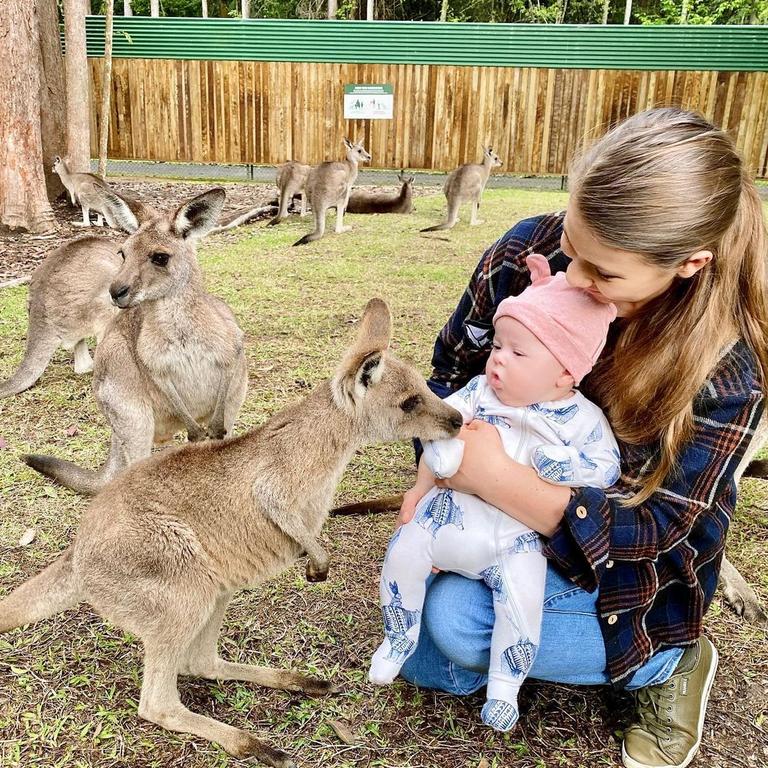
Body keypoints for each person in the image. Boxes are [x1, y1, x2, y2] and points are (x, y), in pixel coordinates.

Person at [395, 108, 767, 768]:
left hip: (626, 561)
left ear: (689, 263)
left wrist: (491, 477)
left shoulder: (728, 367)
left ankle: (670, 661)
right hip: (498, 513)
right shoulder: (524, 253)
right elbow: (451, 368)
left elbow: (652, 528)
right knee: (424, 642)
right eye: (573, 245)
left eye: (605, 274)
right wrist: (439, 463)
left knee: (452, 622)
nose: (571, 279)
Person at [368, 254, 621, 733]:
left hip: (517, 540)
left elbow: (605, 467)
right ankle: (396, 636)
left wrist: (566, 464)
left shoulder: (581, 419)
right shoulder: (479, 391)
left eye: (519, 353)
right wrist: (421, 488)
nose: (499, 358)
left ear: (566, 374)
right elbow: (439, 427)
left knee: (520, 604)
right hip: (451, 517)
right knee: (404, 552)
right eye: (498, 346)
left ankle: (505, 687)